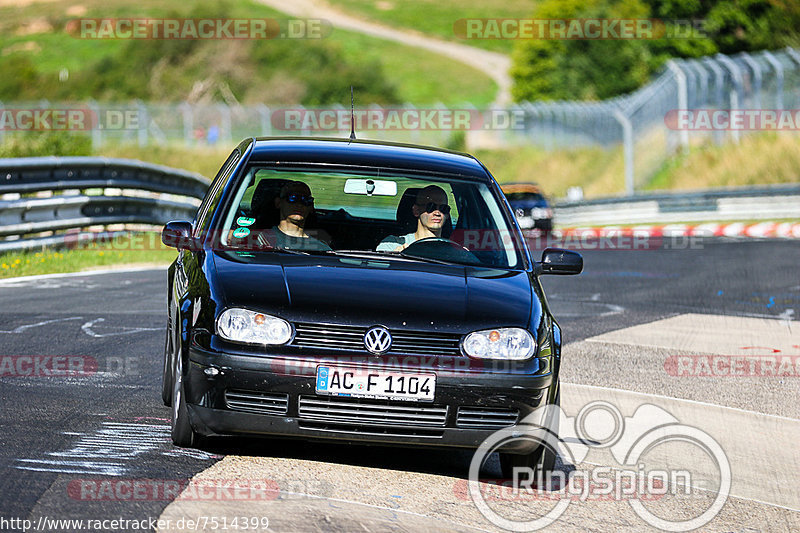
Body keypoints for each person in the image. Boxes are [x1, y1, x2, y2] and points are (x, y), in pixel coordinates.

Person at [258, 181, 331, 251]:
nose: (299, 204)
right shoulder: (262, 240)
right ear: (278, 203)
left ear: (311, 207)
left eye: (305, 200)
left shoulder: (321, 249)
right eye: (292, 198)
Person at [376, 185, 451, 252]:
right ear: (416, 211)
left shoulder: (453, 250)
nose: (437, 213)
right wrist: (396, 258)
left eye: (443, 208)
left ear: (447, 214)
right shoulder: (392, 244)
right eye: (431, 207)